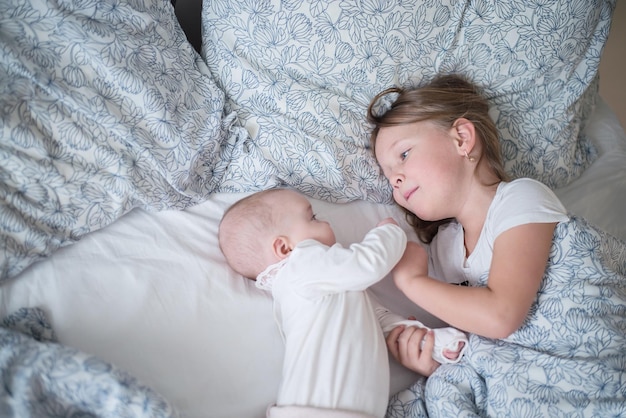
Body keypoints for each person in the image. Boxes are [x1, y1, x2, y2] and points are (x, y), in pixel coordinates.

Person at [367, 74, 626, 416]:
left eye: (403, 155)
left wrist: (411, 282)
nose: (395, 180)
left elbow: (502, 315)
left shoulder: (520, 198)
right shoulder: (444, 252)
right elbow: (484, 344)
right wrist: (436, 356)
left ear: (462, 138)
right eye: (388, 176)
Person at [218, 188, 467, 418]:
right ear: (284, 248)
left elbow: (378, 321)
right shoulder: (300, 266)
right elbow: (368, 262)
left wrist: (431, 341)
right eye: (312, 218)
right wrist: (389, 231)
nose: (325, 222)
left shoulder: (320, 288)